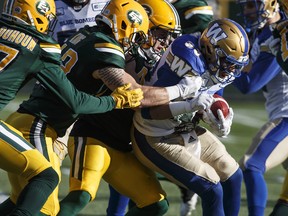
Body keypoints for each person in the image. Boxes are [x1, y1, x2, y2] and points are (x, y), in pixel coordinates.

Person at [0, 0, 146, 216]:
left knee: (21, 198)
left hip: (25, 120)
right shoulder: (41, 47)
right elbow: (76, 101)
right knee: (45, 188)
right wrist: (114, 101)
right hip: (37, 124)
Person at [53, 0, 197, 215]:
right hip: (92, 135)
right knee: (79, 194)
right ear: (142, 26)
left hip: (122, 145)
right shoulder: (119, 54)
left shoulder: (138, 54)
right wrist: (183, 91)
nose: (165, 43)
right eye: (160, 34)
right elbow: (138, 96)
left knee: (156, 204)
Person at [131, 18, 250, 216]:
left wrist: (221, 113)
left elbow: (213, 95)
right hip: (154, 134)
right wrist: (189, 105)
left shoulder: (214, 64)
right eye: (227, 63)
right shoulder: (187, 55)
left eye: (234, 65)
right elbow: (148, 112)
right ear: (211, 50)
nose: (230, 70)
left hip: (185, 127)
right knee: (212, 186)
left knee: (232, 174)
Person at [233, 0, 288, 215]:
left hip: (286, 116)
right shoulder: (263, 34)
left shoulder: (278, 34)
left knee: (251, 165)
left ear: (271, 4)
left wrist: (225, 66)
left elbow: (251, 84)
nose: (246, 11)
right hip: (281, 113)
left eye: (250, 5)